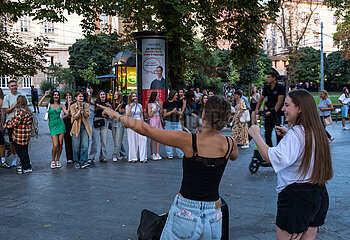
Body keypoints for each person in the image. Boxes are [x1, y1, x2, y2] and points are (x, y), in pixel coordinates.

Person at [98, 95, 238, 240]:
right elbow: (234, 156)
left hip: (186, 212)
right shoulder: (230, 143)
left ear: (204, 115)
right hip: (213, 217)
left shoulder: (189, 141)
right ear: (226, 119)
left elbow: (145, 129)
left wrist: (116, 115)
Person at [249, 89, 333, 240]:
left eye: (287, 105)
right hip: (319, 194)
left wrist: (255, 133)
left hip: (296, 198)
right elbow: (304, 145)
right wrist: (288, 133)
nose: (283, 109)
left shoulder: (296, 134)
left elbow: (271, 157)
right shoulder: (317, 131)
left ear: (300, 108)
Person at [38, 90, 70, 169]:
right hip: (52, 126)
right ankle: (53, 160)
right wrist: (45, 95)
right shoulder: (48, 104)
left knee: (60, 144)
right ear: (52, 96)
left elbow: (67, 113)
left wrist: (69, 104)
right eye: (55, 95)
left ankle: (58, 160)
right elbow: (39, 104)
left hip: (60, 125)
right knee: (55, 145)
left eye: (57, 95)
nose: (56, 96)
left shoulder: (61, 105)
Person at [254, 72, 285, 147]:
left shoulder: (280, 87)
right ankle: (269, 150)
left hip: (277, 113)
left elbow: (280, 101)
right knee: (267, 134)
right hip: (268, 112)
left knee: (279, 134)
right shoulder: (267, 87)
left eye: (269, 77)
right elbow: (261, 99)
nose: (267, 79)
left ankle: (279, 150)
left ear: (274, 78)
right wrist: (256, 109)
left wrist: (273, 112)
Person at [2, 80, 27, 167]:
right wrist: (15, 105)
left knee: (23, 142)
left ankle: (24, 159)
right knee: (12, 142)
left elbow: (26, 106)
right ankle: (14, 158)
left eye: (15, 85)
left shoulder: (22, 95)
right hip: (11, 123)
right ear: (9, 88)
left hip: (22, 123)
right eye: (12, 86)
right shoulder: (7, 97)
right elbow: (6, 110)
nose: (14, 87)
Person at [5, 96, 33, 174]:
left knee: (21, 151)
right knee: (24, 150)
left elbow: (15, 123)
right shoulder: (28, 110)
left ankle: (27, 167)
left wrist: (7, 123)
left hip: (19, 135)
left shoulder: (20, 111)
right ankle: (26, 165)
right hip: (26, 134)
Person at [88, 90, 111, 164]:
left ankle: (103, 156)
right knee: (94, 141)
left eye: (103, 94)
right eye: (101, 94)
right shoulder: (96, 103)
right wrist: (90, 93)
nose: (102, 96)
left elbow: (110, 113)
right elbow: (89, 100)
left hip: (104, 122)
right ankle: (91, 157)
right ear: (99, 96)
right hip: (96, 122)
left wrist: (109, 107)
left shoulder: (107, 104)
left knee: (104, 141)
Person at [70, 92, 91, 169]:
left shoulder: (86, 105)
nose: (81, 98)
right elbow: (75, 117)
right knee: (76, 146)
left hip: (85, 127)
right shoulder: (72, 106)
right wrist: (79, 109)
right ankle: (76, 162)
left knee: (85, 145)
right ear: (76, 98)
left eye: (82, 96)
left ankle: (84, 161)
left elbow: (87, 115)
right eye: (79, 96)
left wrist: (83, 109)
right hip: (76, 127)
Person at [125, 92, 147, 163]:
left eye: (135, 96)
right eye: (133, 96)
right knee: (132, 141)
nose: (135, 98)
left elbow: (141, 115)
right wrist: (131, 107)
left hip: (139, 123)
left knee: (143, 139)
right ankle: (133, 157)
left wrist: (143, 123)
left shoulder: (139, 105)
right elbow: (127, 115)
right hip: (131, 124)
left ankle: (143, 157)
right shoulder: (127, 106)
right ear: (130, 98)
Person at [162, 90, 184, 159]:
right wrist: (172, 111)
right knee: (168, 139)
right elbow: (164, 114)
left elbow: (180, 113)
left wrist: (176, 111)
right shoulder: (166, 103)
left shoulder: (178, 102)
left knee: (179, 138)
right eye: (176, 95)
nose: (177, 97)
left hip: (177, 122)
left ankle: (181, 154)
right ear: (172, 95)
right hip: (168, 122)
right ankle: (169, 154)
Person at [111, 91, 126, 162]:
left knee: (118, 140)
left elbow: (122, 113)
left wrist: (119, 108)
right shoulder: (112, 103)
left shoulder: (123, 104)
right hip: (113, 122)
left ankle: (115, 155)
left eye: (116, 94)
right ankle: (123, 153)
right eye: (114, 94)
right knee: (116, 140)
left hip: (120, 122)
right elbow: (112, 113)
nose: (115, 95)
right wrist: (116, 108)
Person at [147, 91, 163, 160]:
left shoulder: (158, 103)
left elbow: (161, 112)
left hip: (158, 119)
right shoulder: (150, 104)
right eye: (157, 95)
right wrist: (156, 108)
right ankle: (152, 153)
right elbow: (149, 114)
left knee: (159, 137)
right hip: (153, 120)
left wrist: (161, 107)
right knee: (153, 138)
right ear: (154, 96)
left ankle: (157, 152)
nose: (159, 96)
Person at [63, 91, 74, 163]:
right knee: (67, 140)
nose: (68, 97)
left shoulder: (75, 103)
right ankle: (69, 157)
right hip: (66, 123)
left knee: (75, 140)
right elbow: (63, 116)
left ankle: (76, 156)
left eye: (69, 95)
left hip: (74, 123)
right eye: (67, 96)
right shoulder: (63, 105)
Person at [0, 88, 9, 168]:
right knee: (1, 143)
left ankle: (3, 161)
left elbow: (3, 114)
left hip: (0, 125)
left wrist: (1, 125)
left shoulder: (1, 101)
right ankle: (3, 160)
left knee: (2, 143)